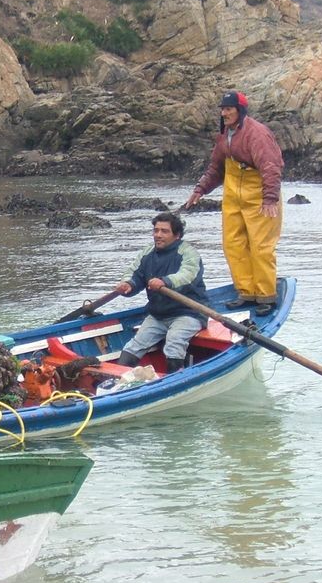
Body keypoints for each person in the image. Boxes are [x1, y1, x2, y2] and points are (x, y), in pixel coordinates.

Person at [183, 90, 284, 317]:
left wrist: (270, 199)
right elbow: (216, 168)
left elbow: (271, 167)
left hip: (258, 196)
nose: (224, 113)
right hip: (233, 196)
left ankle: (267, 295)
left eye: (228, 109)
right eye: (223, 109)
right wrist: (200, 189)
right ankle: (246, 292)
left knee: (261, 247)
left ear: (240, 110)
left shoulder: (257, 134)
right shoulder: (224, 134)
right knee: (233, 245)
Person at [110, 212, 209, 374]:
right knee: (134, 346)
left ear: (177, 235)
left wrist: (165, 281)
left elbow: (187, 276)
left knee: (174, 343)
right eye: (156, 231)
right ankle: (115, 380)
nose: (158, 235)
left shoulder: (189, 253)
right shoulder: (147, 253)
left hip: (189, 313)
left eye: (164, 231)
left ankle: (173, 380)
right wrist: (127, 284)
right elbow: (134, 274)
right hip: (158, 315)